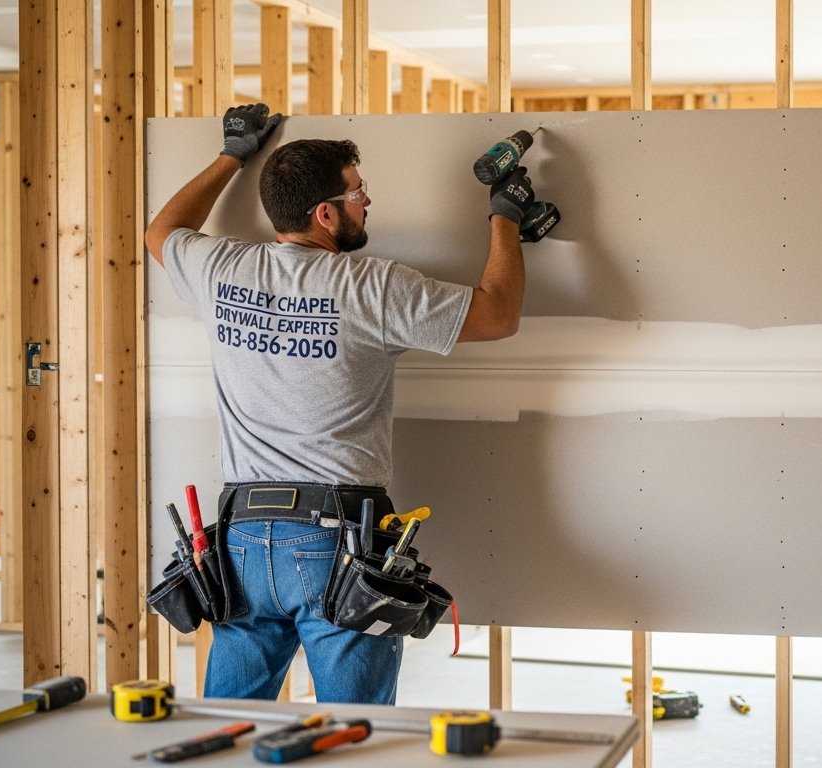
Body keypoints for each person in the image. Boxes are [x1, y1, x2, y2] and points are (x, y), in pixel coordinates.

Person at [145, 103, 543, 704]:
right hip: (336, 542)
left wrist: (232, 154)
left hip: (241, 542)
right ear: (325, 214)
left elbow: (162, 231)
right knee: (357, 737)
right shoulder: (373, 287)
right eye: (358, 192)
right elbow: (499, 315)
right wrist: (504, 218)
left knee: (226, 726)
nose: (367, 200)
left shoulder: (220, 269)